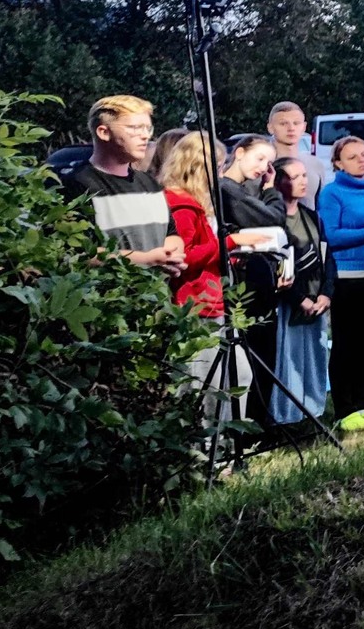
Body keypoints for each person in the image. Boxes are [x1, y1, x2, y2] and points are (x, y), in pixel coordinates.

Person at [148, 129, 247, 413]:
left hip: (208, 299)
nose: (221, 173)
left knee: (236, 374)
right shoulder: (182, 205)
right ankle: (209, 437)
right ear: (199, 167)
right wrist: (229, 243)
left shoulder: (190, 202)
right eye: (219, 166)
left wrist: (229, 256)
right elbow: (184, 257)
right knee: (206, 384)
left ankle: (223, 434)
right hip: (196, 305)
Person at [60, 95, 185, 275]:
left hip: (155, 291)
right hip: (107, 292)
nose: (145, 136)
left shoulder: (149, 183)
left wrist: (170, 255)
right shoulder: (77, 184)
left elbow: (171, 234)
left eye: (148, 128)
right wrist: (146, 260)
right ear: (104, 132)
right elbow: (75, 253)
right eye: (135, 128)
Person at [219, 133, 291, 423]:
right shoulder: (228, 189)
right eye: (259, 159)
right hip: (244, 281)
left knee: (263, 349)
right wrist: (272, 190)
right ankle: (251, 421)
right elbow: (273, 219)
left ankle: (259, 418)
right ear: (239, 153)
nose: (263, 168)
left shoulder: (244, 190)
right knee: (255, 349)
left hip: (257, 276)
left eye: (269, 163)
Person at [318, 135, 364, 426]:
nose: (361, 160)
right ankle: (343, 410)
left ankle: (362, 404)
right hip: (347, 278)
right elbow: (331, 235)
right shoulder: (332, 193)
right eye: (352, 157)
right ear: (338, 163)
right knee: (346, 344)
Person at [272, 157, 334, 425]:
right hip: (290, 301)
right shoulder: (273, 219)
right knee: (288, 358)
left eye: (304, 176)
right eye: (294, 177)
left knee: (314, 356)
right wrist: (299, 299)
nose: (302, 182)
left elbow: (327, 256)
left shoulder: (311, 216)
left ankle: (313, 411)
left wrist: (326, 293)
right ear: (278, 182)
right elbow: (277, 264)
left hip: (316, 298)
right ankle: (286, 415)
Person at [267, 101, 326, 193]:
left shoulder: (315, 164)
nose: (291, 128)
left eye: (296, 123)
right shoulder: (260, 166)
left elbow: (320, 200)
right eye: (283, 123)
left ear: (304, 127)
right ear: (270, 128)